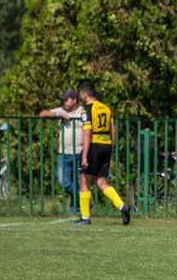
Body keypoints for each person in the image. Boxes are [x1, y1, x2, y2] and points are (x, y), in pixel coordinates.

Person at [74, 81, 130, 226]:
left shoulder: (87, 110)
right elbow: (113, 131)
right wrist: (110, 149)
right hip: (106, 145)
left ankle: (85, 217)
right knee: (102, 183)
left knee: (84, 181)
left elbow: (87, 133)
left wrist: (84, 156)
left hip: (93, 146)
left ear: (84, 94)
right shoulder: (106, 108)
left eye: (80, 94)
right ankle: (122, 206)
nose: (80, 97)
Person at [39, 89, 84, 208]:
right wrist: (58, 115)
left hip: (80, 153)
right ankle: (84, 198)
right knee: (63, 182)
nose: (64, 102)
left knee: (78, 183)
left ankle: (75, 209)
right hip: (64, 154)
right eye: (63, 100)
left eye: (66, 100)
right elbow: (42, 113)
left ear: (74, 100)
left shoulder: (83, 112)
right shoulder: (62, 110)